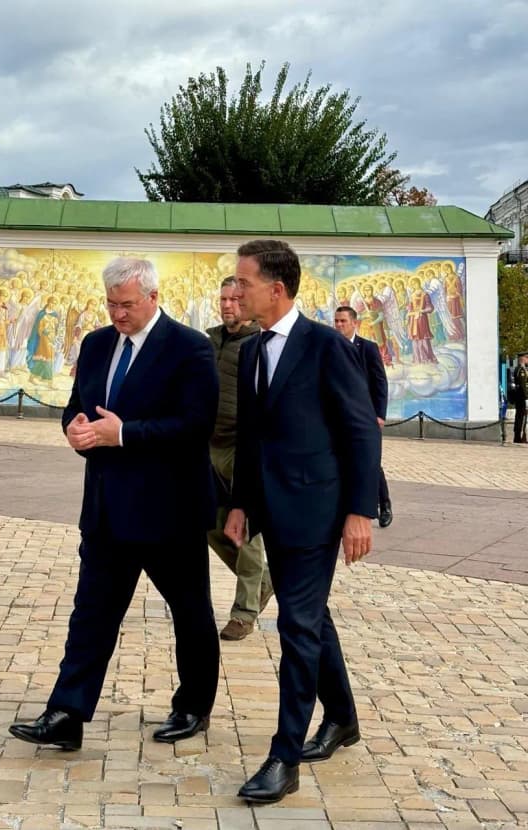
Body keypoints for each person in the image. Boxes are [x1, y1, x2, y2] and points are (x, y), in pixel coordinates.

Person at [9, 256, 220, 751]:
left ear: (153, 297)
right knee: (91, 614)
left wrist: (123, 433)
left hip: (169, 510)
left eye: (127, 304)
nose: (118, 314)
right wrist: (75, 429)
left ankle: (193, 706)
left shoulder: (190, 347)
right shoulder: (97, 343)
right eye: (110, 304)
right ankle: (66, 713)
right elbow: (76, 406)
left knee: (190, 612)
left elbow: (196, 425)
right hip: (106, 509)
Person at [224, 240, 380, 805]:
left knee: (296, 627)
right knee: (311, 618)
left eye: (243, 282)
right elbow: (251, 435)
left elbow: (361, 430)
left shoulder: (325, 345)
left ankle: (284, 757)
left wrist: (359, 511)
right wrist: (241, 503)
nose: (234, 291)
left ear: (276, 289)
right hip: (272, 508)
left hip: (318, 510)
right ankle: (342, 718)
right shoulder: (251, 349)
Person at [206, 276, 273, 641]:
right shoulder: (210, 340)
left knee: (246, 530)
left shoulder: (260, 344)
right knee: (209, 524)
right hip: (208, 446)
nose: (228, 305)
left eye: (234, 299)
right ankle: (262, 582)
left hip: (243, 447)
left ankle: (244, 612)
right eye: (223, 299)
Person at [334, 306, 393, 527]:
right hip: (339, 417)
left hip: (366, 416)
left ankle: (384, 504)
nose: (339, 325)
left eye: (343, 321)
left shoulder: (367, 348)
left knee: (370, 462)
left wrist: (379, 414)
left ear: (354, 323)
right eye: (336, 321)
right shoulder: (330, 347)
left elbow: (380, 381)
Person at [513, 353, 528, 444]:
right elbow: (523, 385)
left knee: (520, 416)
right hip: (521, 397)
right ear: (523, 359)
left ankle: (518, 436)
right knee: (520, 417)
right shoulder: (521, 370)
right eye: (527, 358)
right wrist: (526, 398)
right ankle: (518, 437)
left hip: (520, 397)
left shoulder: (520, 369)